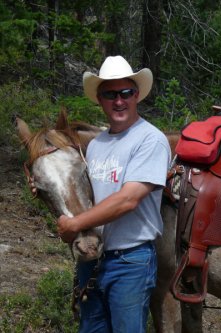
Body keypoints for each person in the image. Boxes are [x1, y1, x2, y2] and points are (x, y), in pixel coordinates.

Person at [57, 55, 171, 333]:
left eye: (126, 93)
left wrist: (75, 224)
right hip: (94, 256)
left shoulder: (150, 139)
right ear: (99, 99)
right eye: (110, 94)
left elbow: (128, 199)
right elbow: (88, 196)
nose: (118, 101)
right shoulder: (97, 145)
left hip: (130, 261)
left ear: (137, 95)